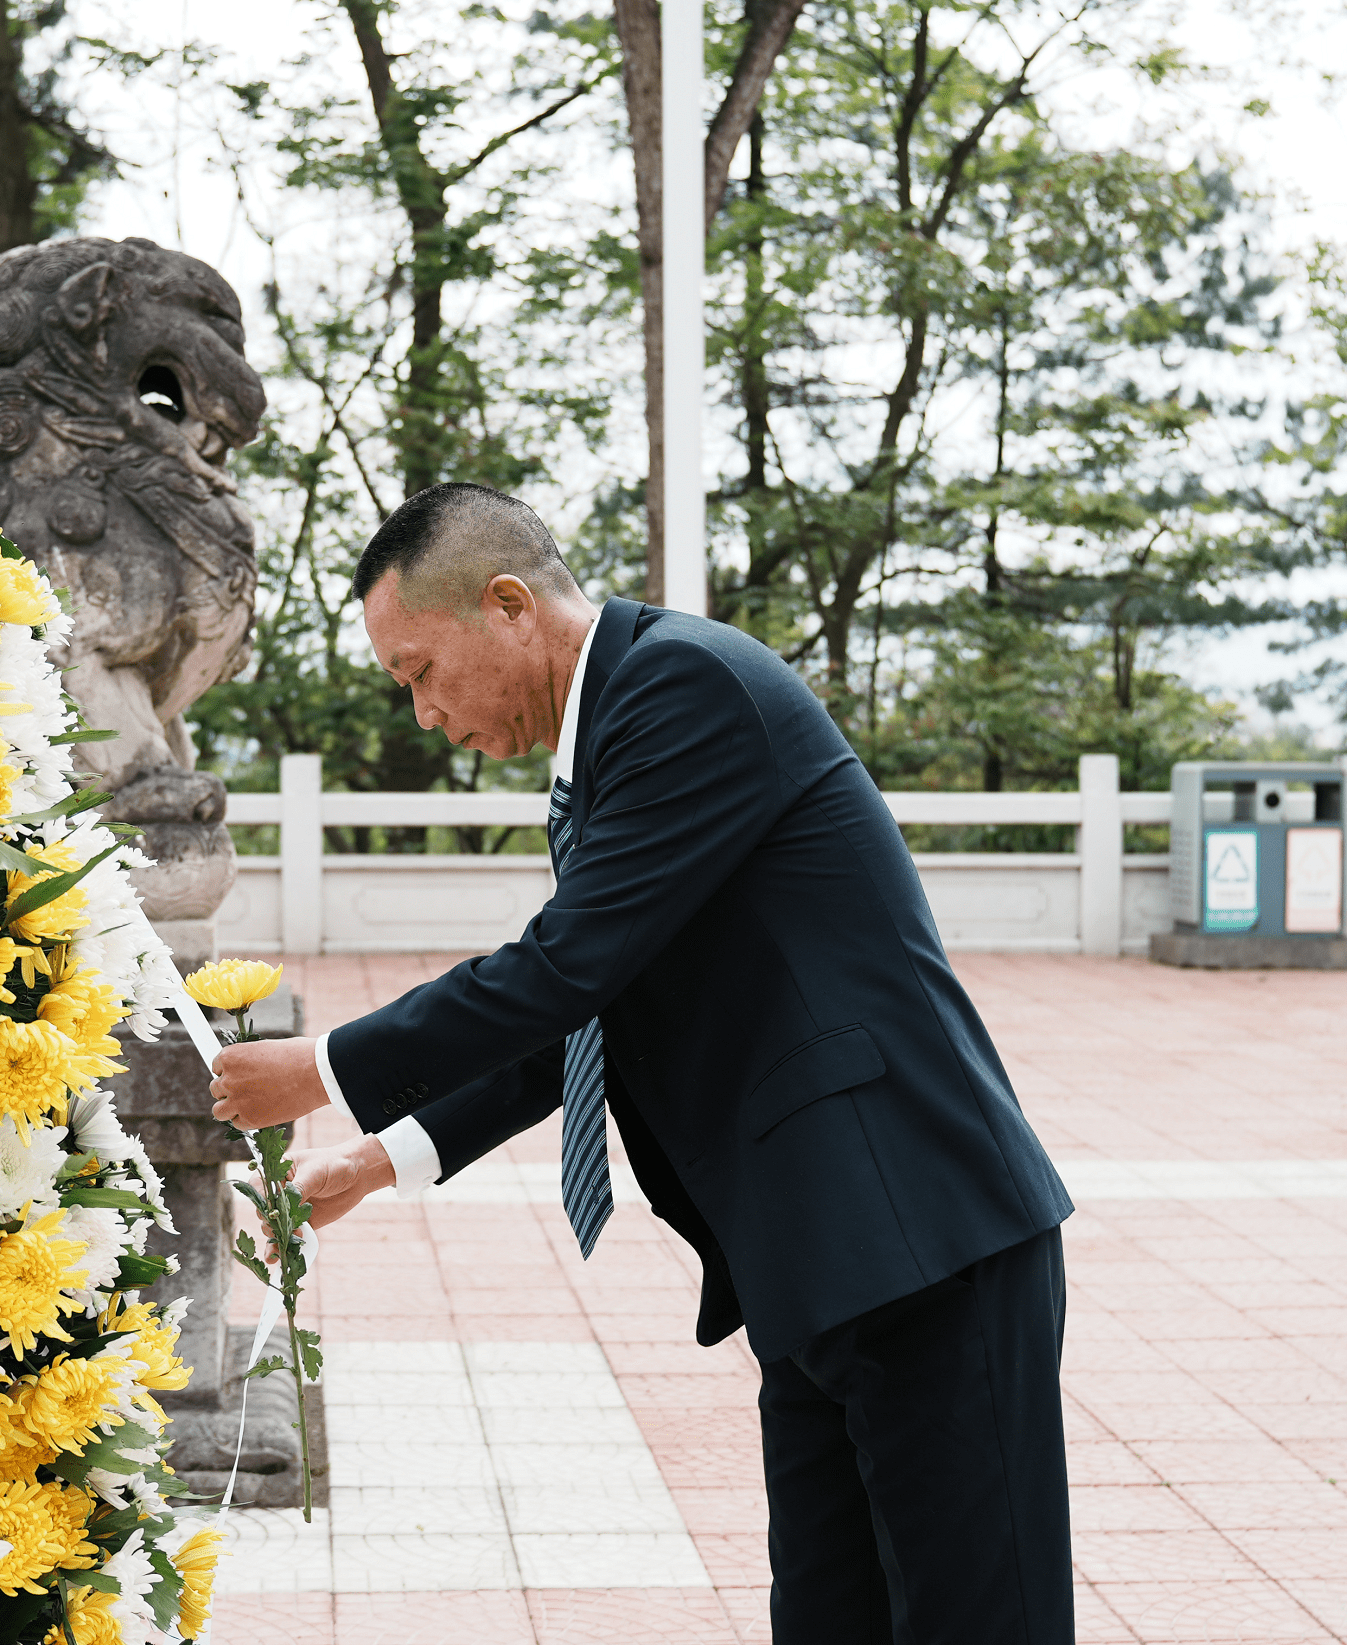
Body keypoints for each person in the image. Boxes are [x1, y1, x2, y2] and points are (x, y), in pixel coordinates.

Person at [207, 482, 1076, 1643]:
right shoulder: (614, 740)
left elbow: (564, 968)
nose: (420, 714)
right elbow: (590, 1011)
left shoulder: (684, 686)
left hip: (918, 1236)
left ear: (508, 604)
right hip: (818, 1259)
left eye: (417, 669)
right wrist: (379, 1158)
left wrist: (323, 1064)